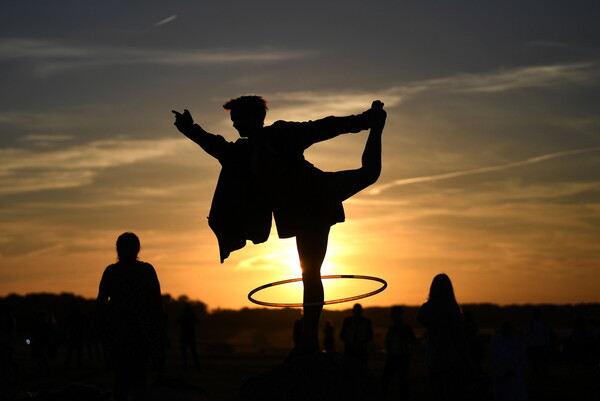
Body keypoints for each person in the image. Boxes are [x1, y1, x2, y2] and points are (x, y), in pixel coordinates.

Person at [173, 96, 385, 353]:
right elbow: (216, 146)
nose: (235, 125)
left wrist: (364, 121)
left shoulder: (283, 133)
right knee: (310, 274)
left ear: (254, 118)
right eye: (233, 121)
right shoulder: (242, 152)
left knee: (369, 174)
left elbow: (323, 127)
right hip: (296, 214)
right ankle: (308, 340)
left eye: (237, 119)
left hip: (318, 194)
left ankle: (377, 124)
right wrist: (190, 129)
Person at [95, 232, 163, 401]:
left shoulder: (113, 272)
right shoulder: (146, 271)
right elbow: (157, 306)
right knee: (136, 383)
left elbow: (100, 304)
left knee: (124, 383)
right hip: (133, 335)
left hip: (127, 335)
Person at [417, 274, 469, 401]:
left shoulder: (428, 308)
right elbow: (459, 337)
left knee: (437, 393)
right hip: (451, 360)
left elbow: (420, 318)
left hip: (433, 359)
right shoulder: (452, 308)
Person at [487, 321, 528, 401]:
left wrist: (516, 370)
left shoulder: (518, 343)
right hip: (501, 378)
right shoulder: (495, 342)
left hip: (515, 376)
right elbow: (491, 358)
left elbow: (522, 358)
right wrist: (501, 371)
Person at [382, 306, 416, 398]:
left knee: (401, 381)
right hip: (393, 357)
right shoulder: (392, 329)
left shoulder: (405, 328)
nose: (392, 317)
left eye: (394, 315)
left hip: (401, 357)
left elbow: (413, 341)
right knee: (389, 381)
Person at [178, 302, 200, 371]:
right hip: (191, 335)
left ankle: (185, 367)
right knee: (193, 351)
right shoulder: (192, 314)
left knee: (184, 352)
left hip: (184, 335)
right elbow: (198, 321)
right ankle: (197, 367)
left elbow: (177, 321)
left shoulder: (183, 314)